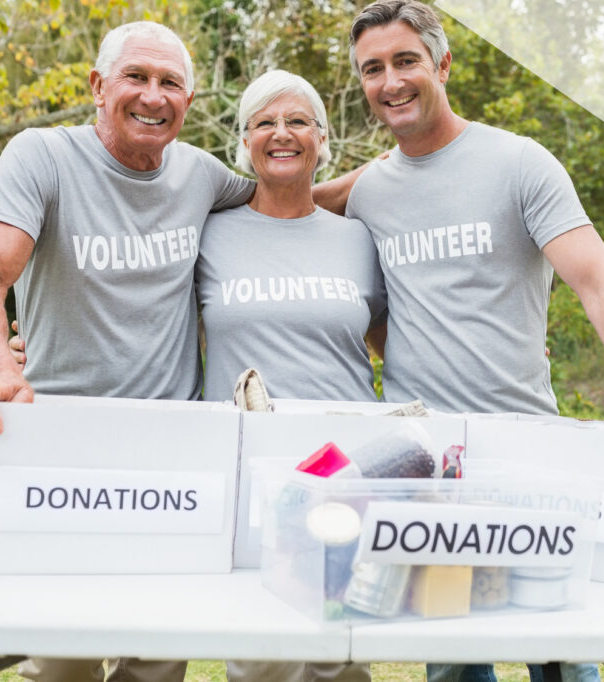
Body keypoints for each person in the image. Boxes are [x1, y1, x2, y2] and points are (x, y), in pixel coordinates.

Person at [0, 20, 348, 682]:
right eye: (136, 77)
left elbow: (288, 194)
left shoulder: (201, 177)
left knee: (157, 658)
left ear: (188, 103)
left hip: (174, 458)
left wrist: (390, 185)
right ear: (98, 86)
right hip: (60, 451)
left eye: (170, 83)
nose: (152, 96)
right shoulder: (41, 157)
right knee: (60, 661)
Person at [342, 2, 604, 681]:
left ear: (443, 64)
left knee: (564, 655)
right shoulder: (367, 192)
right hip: (433, 467)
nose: (389, 81)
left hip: (529, 453)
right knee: (454, 663)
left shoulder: (518, 163)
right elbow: (293, 204)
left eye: (405, 61)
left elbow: (597, 280)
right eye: (372, 69)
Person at [195, 67, 386, 682]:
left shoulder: (359, 238)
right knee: (260, 657)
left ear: (322, 140)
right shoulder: (206, 232)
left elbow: (390, 336)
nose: (282, 133)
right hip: (250, 468)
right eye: (265, 122)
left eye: (298, 121)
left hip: (345, 469)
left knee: (342, 654)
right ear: (243, 140)